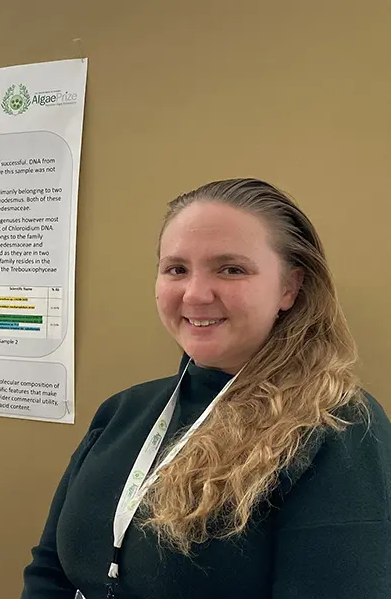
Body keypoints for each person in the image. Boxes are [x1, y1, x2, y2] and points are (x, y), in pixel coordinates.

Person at [21, 178, 391, 599]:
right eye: (176, 269)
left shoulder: (337, 429)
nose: (195, 294)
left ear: (289, 288)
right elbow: (49, 572)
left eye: (231, 269)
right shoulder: (123, 412)